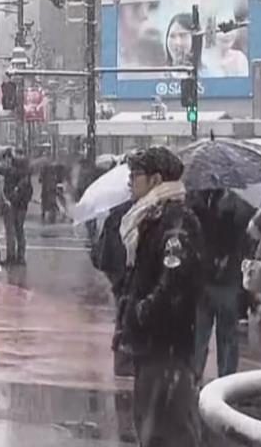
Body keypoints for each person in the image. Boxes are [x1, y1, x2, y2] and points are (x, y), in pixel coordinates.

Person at [117, 146, 205, 447]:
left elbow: (174, 285)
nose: (130, 181)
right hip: (153, 349)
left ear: (155, 180)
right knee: (154, 429)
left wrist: (141, 313)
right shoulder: (151, 218)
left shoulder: (174, 222)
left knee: (167, 432)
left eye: (135, 175)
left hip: (166, 350)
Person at [191, 189, 254, 379]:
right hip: (206, 278)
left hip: (225, 279)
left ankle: (225, 378)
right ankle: (196, 376)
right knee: (201, 333)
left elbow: (242, 239)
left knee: (223, 334)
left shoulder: (237, 207)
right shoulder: (198, 203)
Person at [91, 199, 135, 377]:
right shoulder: (132, 216)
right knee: (127, 315)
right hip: (125, 272)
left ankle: (123, 358)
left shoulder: (115, 215)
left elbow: (103, 251)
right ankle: (125, 359)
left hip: (118, 272)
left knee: (122, 314)